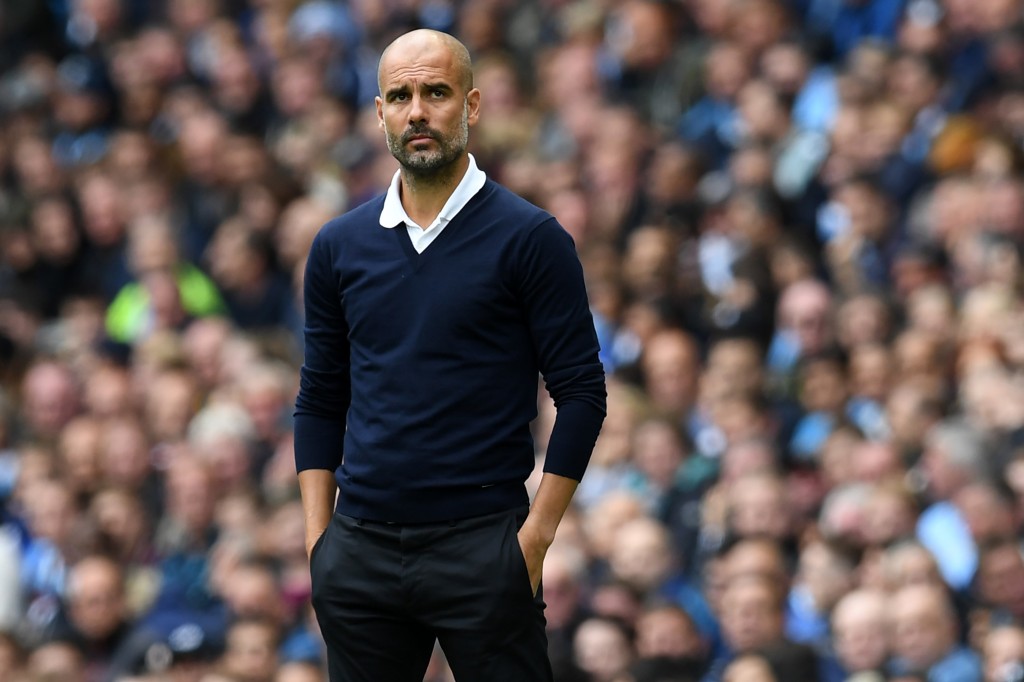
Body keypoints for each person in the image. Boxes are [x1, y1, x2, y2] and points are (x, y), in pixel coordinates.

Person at [293, 28, 607, 682]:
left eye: (436, 93)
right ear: (379, 112)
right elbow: (320, 396)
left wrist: (535, 540)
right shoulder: (338, 246)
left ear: (472, 105)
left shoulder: (531, 238)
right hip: (360, 549)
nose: (417, 112)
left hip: (485, 541)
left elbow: (581, 393)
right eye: (400, 96)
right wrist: (320, 544)